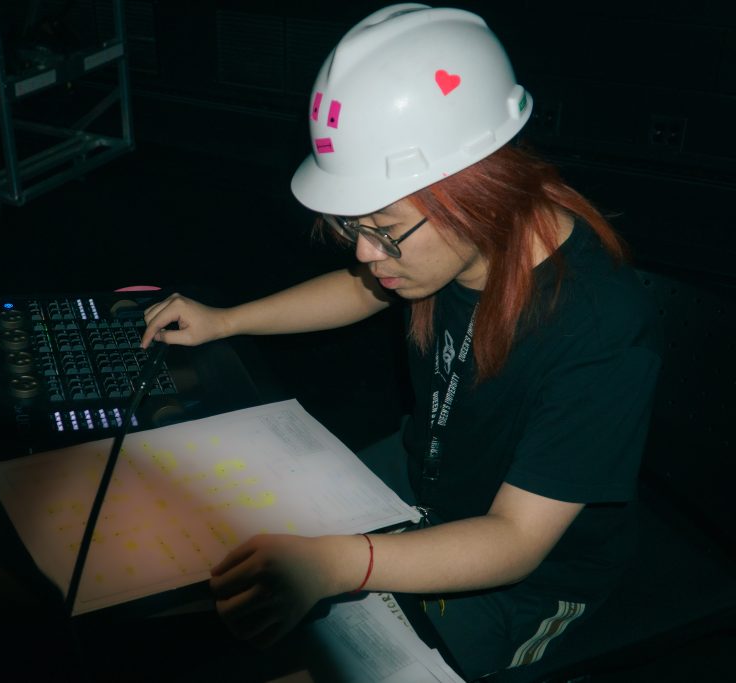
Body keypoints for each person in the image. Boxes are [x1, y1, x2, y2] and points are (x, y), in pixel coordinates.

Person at [140, 5, 662, 680]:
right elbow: (364, 288)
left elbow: (515, 539)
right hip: (426, 483)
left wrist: (338, 561)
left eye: (384, 230)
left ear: (478, 193)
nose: (364, 251)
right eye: (355, 226)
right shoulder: (445, 248)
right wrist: (227, 320)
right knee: (227, 532)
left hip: (528, 579)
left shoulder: (600, 329)